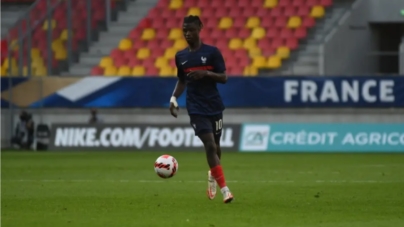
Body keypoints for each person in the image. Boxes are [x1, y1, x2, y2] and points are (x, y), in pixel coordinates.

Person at [169, 15, 234, 203]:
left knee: (217, 147)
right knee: (210, 145)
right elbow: (182, 80)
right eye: (184, 31)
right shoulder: (180, 57)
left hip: (214, 105)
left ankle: (212, 175)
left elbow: (224, 78)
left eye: (191, 30)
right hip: (195, 107)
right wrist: (174, 98)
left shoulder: (212, 53)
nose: (187, 34)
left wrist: (206, 73)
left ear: (200, 28)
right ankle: (225, 190)